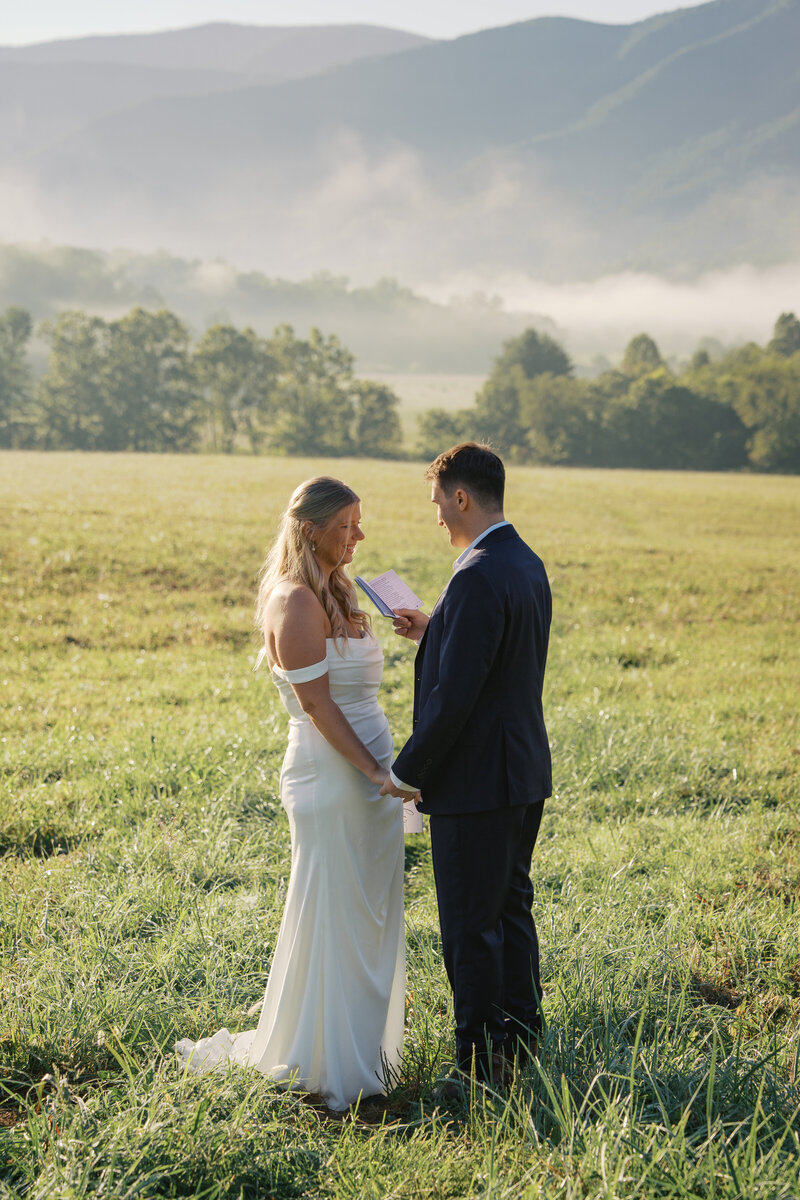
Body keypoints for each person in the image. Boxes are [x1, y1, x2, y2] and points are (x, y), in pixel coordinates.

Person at [176, 477, 407, 1112]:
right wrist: (375, 772)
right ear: (310, 529)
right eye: (346, 526)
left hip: (372, 775)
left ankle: (363, 1052)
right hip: (334, 776)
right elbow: (317, 705)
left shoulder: (340, 591)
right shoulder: (294, 600)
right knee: (334, 910)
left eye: (359, 524)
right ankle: (329, 1065)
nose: (359, 536)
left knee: (368, 913)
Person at [380, 443, 551, 1093]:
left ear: (461, 497)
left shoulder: (475, 572)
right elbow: (499, 658)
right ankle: (522, 1041)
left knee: (469, 928)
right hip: (521, 771)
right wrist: (436, 630)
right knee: (508, 912)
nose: (437, 517)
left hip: (477, 782)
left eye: (438, 503)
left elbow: (457, 697)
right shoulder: (522, 560)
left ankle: (479, 1066)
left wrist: (408, 771)